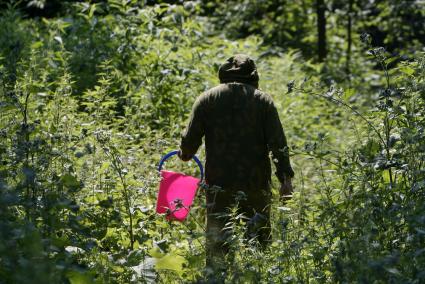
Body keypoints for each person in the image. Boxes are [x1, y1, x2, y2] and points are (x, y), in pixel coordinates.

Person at [178, 54, 294, 277]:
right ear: (253, 76)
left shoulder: (207, 99)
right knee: (259, 250)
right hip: (255, 187)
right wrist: (285, 181)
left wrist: (185, 152)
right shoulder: (263, 101)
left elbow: (188, 149)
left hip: (218, 188)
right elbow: (278, 145)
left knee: (217, 254)